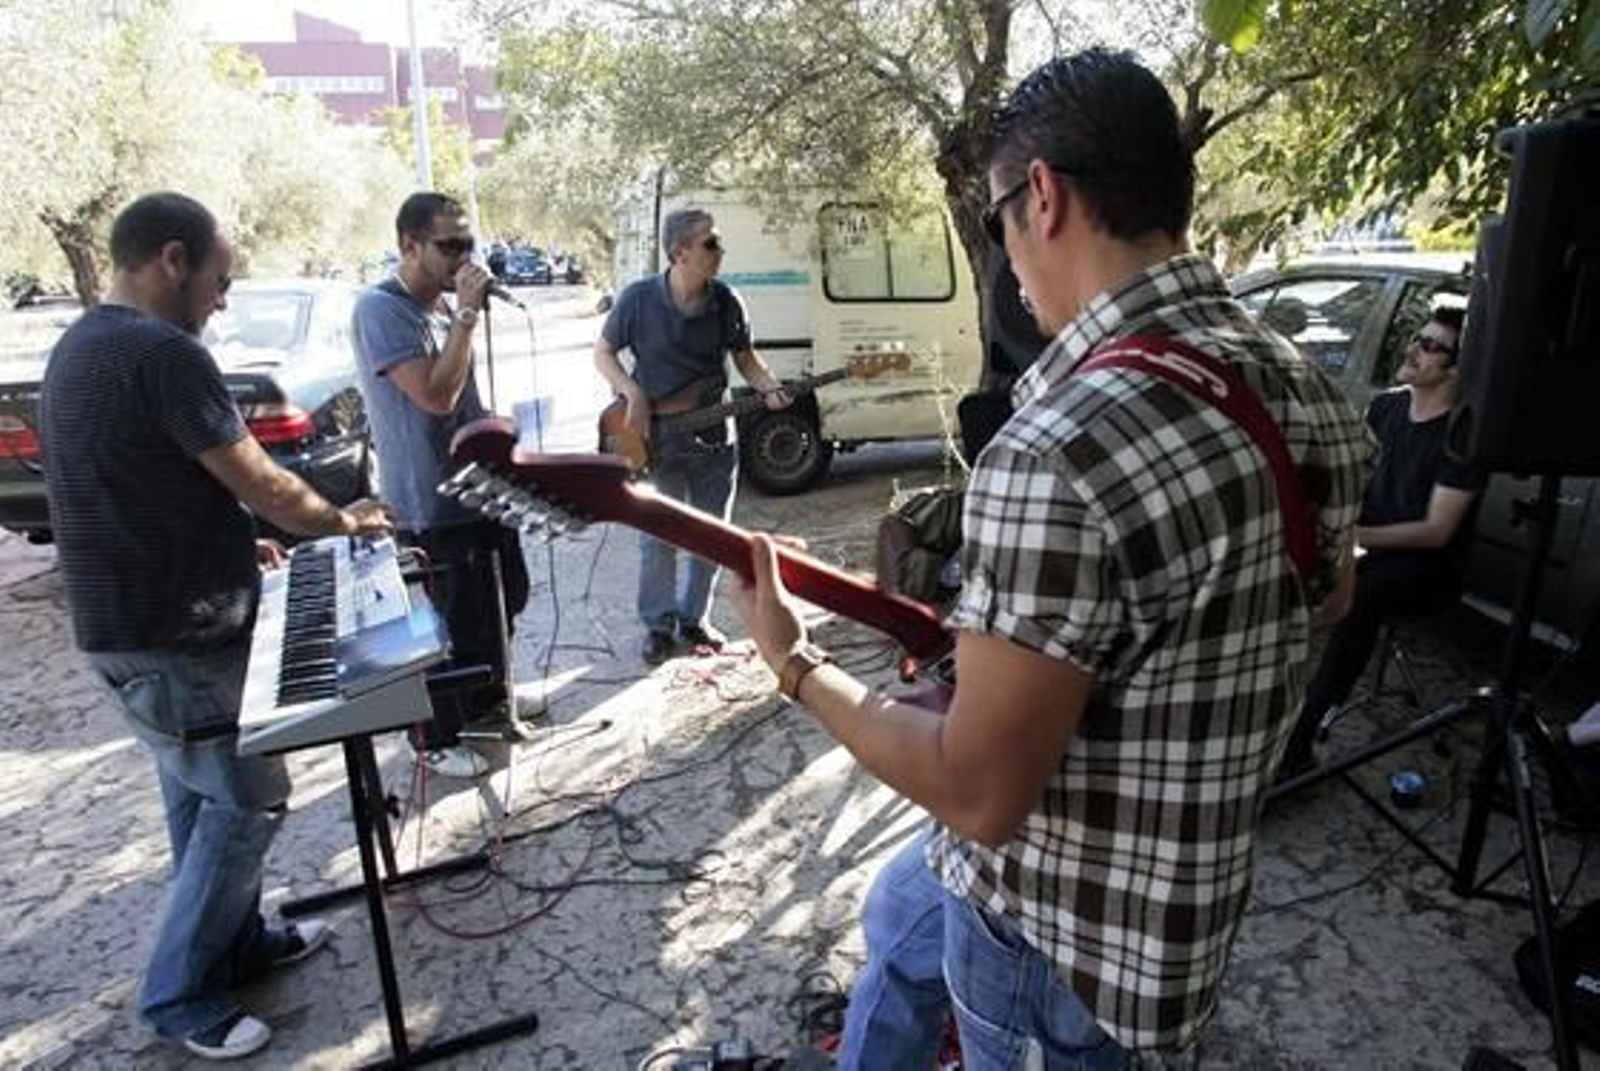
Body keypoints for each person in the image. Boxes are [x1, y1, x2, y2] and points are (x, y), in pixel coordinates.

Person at [727, 49, 1374, 1064]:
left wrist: (793, 664)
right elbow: (1329, 595)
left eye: (993, 227)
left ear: (1042, 194)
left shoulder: (1056, 449)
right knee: (899, 919)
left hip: (1056, 943)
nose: (1003, 263)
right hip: (1178, 915)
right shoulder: (1300, 385)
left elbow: (979, 798)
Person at [37, 191, 395, 1060]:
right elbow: (261, 481)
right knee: (249, 801)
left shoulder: (81, 343)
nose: (223, 298)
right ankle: (179, 993)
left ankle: (236, 944)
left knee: (197, 797)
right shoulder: (163, 353)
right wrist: (347, 521)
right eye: (219, 279)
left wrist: (237, 551)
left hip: (128, 624)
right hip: (170, 633)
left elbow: (149, 485)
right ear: (171, 260)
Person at [352, 192, 536, 781]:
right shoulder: (382, 311)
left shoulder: (443, 309)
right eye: (449, 245)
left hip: (479, 487)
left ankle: (489, 697)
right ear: (409, 244)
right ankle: (434, 736)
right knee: (444, 623)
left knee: (504, 595)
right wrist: (464, 317)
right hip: (428, 501)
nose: (463, 257)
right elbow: (435, 396)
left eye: (469, 244)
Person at [1281, 305, 1483, 775]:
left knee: (1363, 591)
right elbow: (1352, 480)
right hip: (1369, 541)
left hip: (1424, 567)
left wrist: (1353, 537)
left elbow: (1436, 532)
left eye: (1432, 347)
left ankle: (1301, 742)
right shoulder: (1386, 405)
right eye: (1418, 338)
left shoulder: (1463, 434)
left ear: (1456, 369)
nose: (1414, 349)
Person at [594, 208, 792, 665]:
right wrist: (630, 390)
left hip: (713, 438)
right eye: (710, 244)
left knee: (712, 534)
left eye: (717, 242)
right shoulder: (638, 299)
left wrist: (770, 388)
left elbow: (746, 360)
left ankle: (694, 620)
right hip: (651, 438)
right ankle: (658, 627)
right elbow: (603, 352)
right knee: (657, 537)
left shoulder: (727, 301)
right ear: (678, 253)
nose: (719, 251)